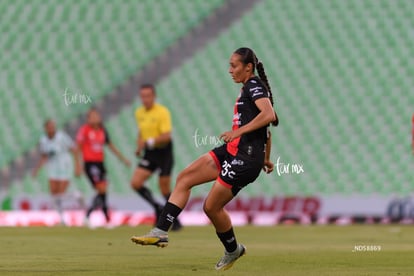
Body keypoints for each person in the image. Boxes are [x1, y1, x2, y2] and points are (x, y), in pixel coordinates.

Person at [131, 47, 279, 271]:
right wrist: (266, 158)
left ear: (248, 67)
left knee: (211, 207)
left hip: (245, 158)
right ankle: (160, 232)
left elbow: (269, 116)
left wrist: (240, 136)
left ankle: (233, 250)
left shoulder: (253, 85)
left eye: (234, 66)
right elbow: (266, 130)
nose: (230, 70)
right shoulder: (247, 88)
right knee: (185, 178)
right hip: (233, 151)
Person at [130, 84, 182, 230]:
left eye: (148, 96)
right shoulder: (139, 112)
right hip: (150, 152)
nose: (145, 99)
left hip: (164, 151)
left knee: (164, 187)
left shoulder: (162, 112)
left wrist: (149, 141)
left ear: (154, 96)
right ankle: (158, 207)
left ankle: (174, 220)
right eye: (142, 96)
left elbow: (166, 136)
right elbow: (142, 131)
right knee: (135, 182)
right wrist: (139, 146)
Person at [76, 108, 131, 225]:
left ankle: (101, 217)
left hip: (100, 164)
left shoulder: (102, 130)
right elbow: (78, 148)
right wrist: (78, 165)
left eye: (96, 116)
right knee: (102, 189)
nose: (95, 118)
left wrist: (123, 159)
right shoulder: (84, 130)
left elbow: (111, 146)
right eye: (92, 116)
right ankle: (94, 215)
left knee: (103, 192)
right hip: (90, 164)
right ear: (88, 119)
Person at [32, 119, 82, 225]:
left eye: (53, 126)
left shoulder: (62, 137)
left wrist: (78, 166)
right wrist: (36, 169)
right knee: (54, 195)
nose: (51, 128)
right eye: (49, 127)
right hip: (52, 168)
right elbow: (44, 156)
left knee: (60, 193)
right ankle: (62, 218)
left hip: (65, 167)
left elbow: (74, 150)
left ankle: (75, 196)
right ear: (45, 128)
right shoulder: (43, 140)